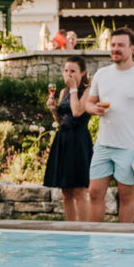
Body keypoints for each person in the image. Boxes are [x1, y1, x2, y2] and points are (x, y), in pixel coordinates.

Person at [85, 28, 134, 223]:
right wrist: (94, 109)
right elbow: (88, 103)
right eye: (112, 45)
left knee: (125, 195)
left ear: (132, 48)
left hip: (129, 147)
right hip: (103, 144)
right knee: (94, 193)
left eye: (120, 45)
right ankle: (95, 240)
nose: (115, 49)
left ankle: (124, 240)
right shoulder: (102, 74)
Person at [43, 57, 93, 221]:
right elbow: (61, 120)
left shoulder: (88, 90)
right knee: (66, 191)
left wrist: (73, 89)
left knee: (79, 190)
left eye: (73, 71)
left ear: (83, 73)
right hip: (63, 139)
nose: (68, 74)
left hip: (78, 140)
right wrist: (53, 109)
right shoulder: (64, 92)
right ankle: (70, 229)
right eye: (66, 70)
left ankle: (84, 230)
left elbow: (77, 111)